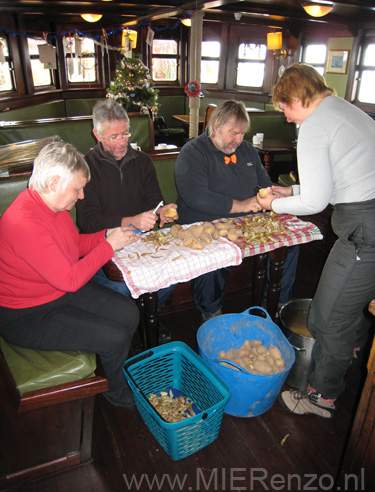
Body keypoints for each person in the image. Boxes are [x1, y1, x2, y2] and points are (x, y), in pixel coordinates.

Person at [257, 63, 375, 418]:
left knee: (327, 318)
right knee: (351, 305)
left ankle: (320, 396)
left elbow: (315, 203)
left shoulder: (314, 125)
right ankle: (346, 352)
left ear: (297, 97)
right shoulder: (345, 109)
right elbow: (336, 179)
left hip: (364, 231)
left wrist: (272, 203)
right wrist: (291, 189)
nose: (289, 119)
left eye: (286, 109)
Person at [0, 142, 140, 409]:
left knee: (129, 313)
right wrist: (109, 247)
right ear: (54, 182)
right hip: (26, 315)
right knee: (116, 337)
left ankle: (110, 364)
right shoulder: (24, 222)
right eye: (77, 188)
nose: (82, 195)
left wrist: (108, 236)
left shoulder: (54, 207)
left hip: (57, 292)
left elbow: (74, 245)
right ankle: (115, 391)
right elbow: (70, 279)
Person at [174, 100, 299, 322]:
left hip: (247, 223)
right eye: (233, 133)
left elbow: (263, 182)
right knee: (212, 250)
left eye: (242, 134)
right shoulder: (192, 152)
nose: (239, 140)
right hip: (205, 222)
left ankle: (277, 301)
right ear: (215, 127)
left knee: (289, 241)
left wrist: (271, 194)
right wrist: (241, 205)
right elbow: (196, 197)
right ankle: (210, 311)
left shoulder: (247, 150)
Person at [76, 99, 178, 342]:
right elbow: (88, 222)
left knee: (174, 272)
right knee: (121, 288)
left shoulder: (143, 162)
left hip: (140, 242)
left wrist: (162, 211)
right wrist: (131, 220)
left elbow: (154, 201)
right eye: (113, 137)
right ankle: (132, 321)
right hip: (103, 246)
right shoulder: (86, 167)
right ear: (97, 135)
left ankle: (145, 317)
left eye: (125, 134)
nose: (122, 142)